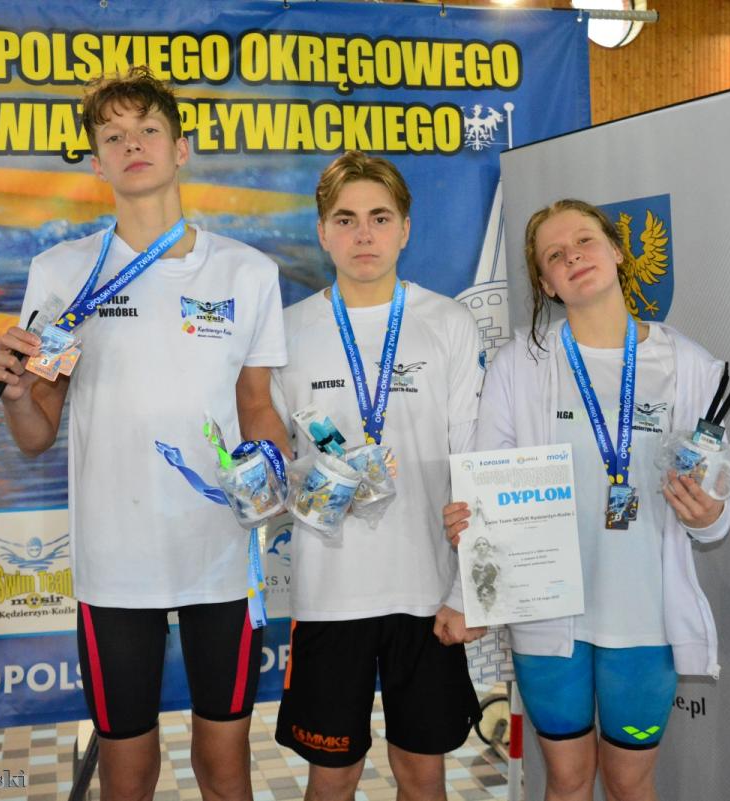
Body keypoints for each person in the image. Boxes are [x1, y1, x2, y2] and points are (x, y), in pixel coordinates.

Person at [0, 67, 289, 801]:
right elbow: (36, 433)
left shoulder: (247, 272)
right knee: (128, 775)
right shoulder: (63, 273)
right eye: (113, 136)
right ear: (97, 162)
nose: (133, 145)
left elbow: (257, 405)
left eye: (148, 130)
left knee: (226, 769)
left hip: (221, 557)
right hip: (115, 562)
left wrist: (277, 472)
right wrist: (17, 393)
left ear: (181, 149)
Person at [443, 199, 730, 801]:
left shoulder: (687, 365)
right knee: (568, 780)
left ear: (617, 251)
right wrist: (465, 579)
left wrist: (711, 515)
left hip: (645, 619)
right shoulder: (519, 365)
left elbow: (717, 492)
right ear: (547, 284)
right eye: (555, 255)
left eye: (584, 240)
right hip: (548, 617)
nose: (573, 256)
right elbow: (486, 486)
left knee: (629, 782)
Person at [270, 151, 485, 801]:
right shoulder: (287, 333)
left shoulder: (447, 322)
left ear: (405, 228)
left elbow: (471, 459)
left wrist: (470, 589)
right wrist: (317, 483)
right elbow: (274, 471)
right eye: (346, 219)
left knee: (422, 776)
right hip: (330, 593)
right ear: (322, 231)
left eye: (379, 217)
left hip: (427, 590)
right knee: (331, 777)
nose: (363, 234)